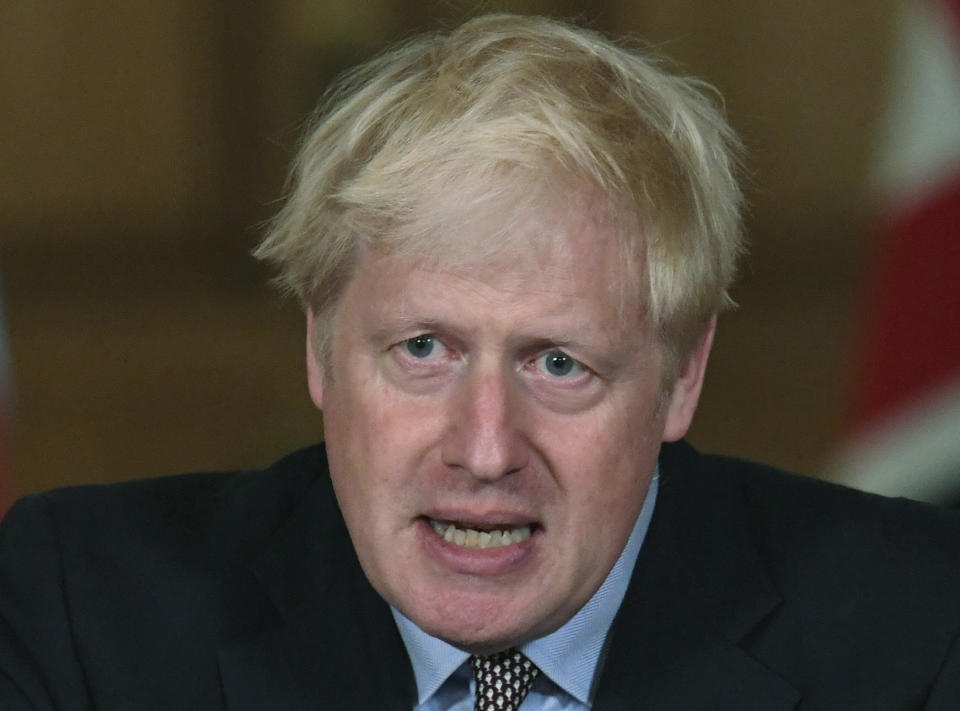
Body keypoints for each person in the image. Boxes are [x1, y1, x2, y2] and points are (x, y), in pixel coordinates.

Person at [2, 13, 959, 710]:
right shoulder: (82, 611)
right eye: (424, 350)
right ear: (320, 352)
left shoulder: (917, 627)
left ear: (683, 374)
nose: (487, 447)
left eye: (559, 364)